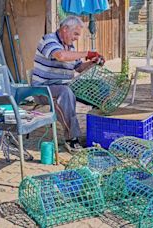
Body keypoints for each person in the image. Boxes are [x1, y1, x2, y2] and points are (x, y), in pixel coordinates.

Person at [31, 15, 105, 152]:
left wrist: (93, 62)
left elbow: (78, 68)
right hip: (42, 89)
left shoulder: (70, 46)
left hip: (64, 86)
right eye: (75, 34)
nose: (77, 38)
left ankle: (100, 132)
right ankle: (71, 139)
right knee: (66, 93)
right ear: (65, 29)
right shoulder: (48, 40)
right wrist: (86, 53)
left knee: (97, 88)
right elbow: (61, 56)